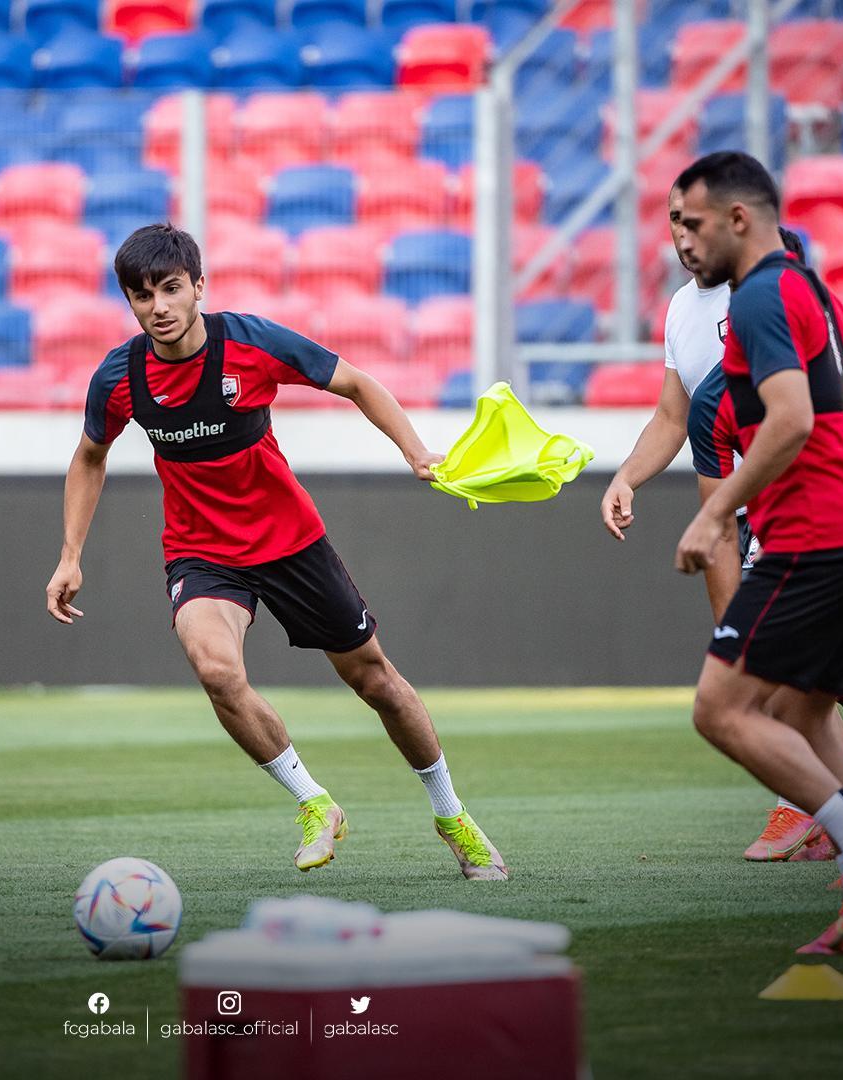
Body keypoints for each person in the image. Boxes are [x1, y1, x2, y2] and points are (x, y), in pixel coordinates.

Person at [45, 223, 507, 880]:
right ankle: (315, 803)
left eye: (171, 289)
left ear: (199, 287)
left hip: (290, 541)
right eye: (142, 296)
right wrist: (70, 555)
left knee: (375, 681)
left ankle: (451, 815)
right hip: (201, 551)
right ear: (129, 302)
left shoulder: (251, 343)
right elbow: (89, 457)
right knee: (216, 671)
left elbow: (356, 382)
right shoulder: (120, 378)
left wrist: (415, 451)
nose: (160, 307)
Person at [671, 151, 843, 953]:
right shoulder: (813, 291)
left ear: (739, 218)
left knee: (721, 710)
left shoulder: (762, 297)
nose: (683, 240)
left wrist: (717, 514)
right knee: (802, 714)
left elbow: (793, 419)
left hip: (817, 536)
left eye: (693, 222)